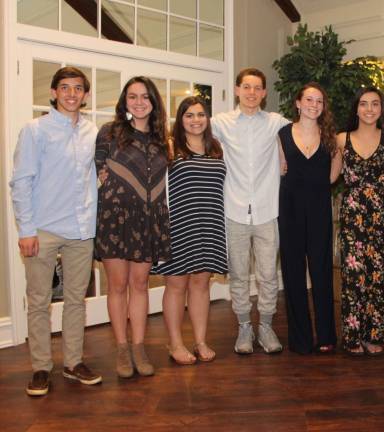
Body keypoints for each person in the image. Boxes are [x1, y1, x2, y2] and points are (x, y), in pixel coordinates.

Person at [10, 66, 102, 396]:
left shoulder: (93, 132)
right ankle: (40, 367)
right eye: (65, 87)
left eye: (78, 88)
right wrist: (26, 230)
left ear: (86, 95)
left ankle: (73, 362)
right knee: (39, 301)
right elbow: (21, 181)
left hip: (81, 229)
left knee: (77, 299)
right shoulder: (36, 131)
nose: (71, 93)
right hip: (44, 228)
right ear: (53, 93)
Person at [95, 76, 171, 377]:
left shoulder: (162, 139)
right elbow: (96, 171)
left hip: (149, 220)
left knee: (140, 285)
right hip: (114, 219)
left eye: (145, 97)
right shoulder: (110, 132)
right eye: (132, 97)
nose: (139, 102)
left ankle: (139, 348)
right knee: (117, 285)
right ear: (125, 101)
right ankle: (123, 350)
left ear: (153, 102)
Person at [211, 68, 289, 354]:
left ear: (264, 93)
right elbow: (188, 134)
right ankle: (244, 326)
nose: (252, 92)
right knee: (239, 273)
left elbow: (303, 134)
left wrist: (283, 157)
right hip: (234, 211)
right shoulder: (220, 123)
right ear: (236, 89)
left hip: (267, 211)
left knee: (268, 274)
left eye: (257, 88)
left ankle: (266, 327)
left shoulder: (276, 122)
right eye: (246, 87)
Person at [152, 96, 227, 364]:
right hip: (179, 226)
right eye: (189, 115)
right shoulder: (170, 147)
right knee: (176, 286)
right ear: (180, 120)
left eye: (200, 115)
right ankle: (174, 344)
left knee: (201, 284)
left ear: (207, 119)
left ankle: (200, 341)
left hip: (211, 224)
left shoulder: (215, 147)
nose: (196, 120)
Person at [331, 87, 384, 356]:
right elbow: (331, 176)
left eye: (375, 104)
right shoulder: (341, 139)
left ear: (381, 109)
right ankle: (353, 336)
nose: (369, 109)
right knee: (354, 275)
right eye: (364, 104)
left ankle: (373, 334)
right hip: (352, 212)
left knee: (379, 275)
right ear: (356, 108)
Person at [277, 82, 337, 354]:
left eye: (319, 101)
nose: (314, 105)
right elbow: (279, 170)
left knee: (322, 271)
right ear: (298, 103)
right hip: (289, 211)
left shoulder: (331, 137)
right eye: (309, 100)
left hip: (319, 210)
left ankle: (326, 336)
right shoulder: (282, 134)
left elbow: (334, 175)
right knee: (293, 274)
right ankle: (300, 338)